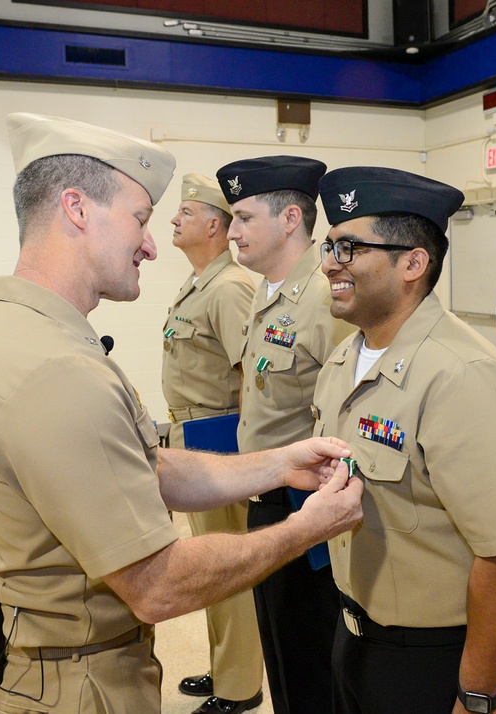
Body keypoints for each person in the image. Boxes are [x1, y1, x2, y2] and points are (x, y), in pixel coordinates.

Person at [0, 113, 363, 714]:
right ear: (77, 209)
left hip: (40, 662)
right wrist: (306, 528)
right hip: (74, 684)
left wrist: (275, 465)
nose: (149, 243)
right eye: (140, 219)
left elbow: (138, 465)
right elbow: (157, 584)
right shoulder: (59, 372)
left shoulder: (14, 332)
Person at [313, 167, 496, 714]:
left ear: (412, 263)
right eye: (329, 246)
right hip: (354, 630)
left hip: (436, 657)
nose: (329, 263)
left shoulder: (461, 374)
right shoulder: (345, 359)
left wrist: (479, 693)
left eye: (348, 247)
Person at [214, 156, 355, 714]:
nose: (232, 232)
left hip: (307, 506)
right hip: (266, 495)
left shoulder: (324, 299)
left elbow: (347, 412)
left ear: (290, 217)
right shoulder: (269, 294)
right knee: (281, 657)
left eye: (244, 217)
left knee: (310, 662)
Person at [163, 174, 265, 714]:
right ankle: (226, 664)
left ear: (213, 225)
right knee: (210, 564)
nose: (173, 220)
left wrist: (246, 458)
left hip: (218, 439)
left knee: (226, 566)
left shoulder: (228, 288)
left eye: (185, 211)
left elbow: (253, 375)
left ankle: (240, 686)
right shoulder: (199, 283)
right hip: (193, 434)